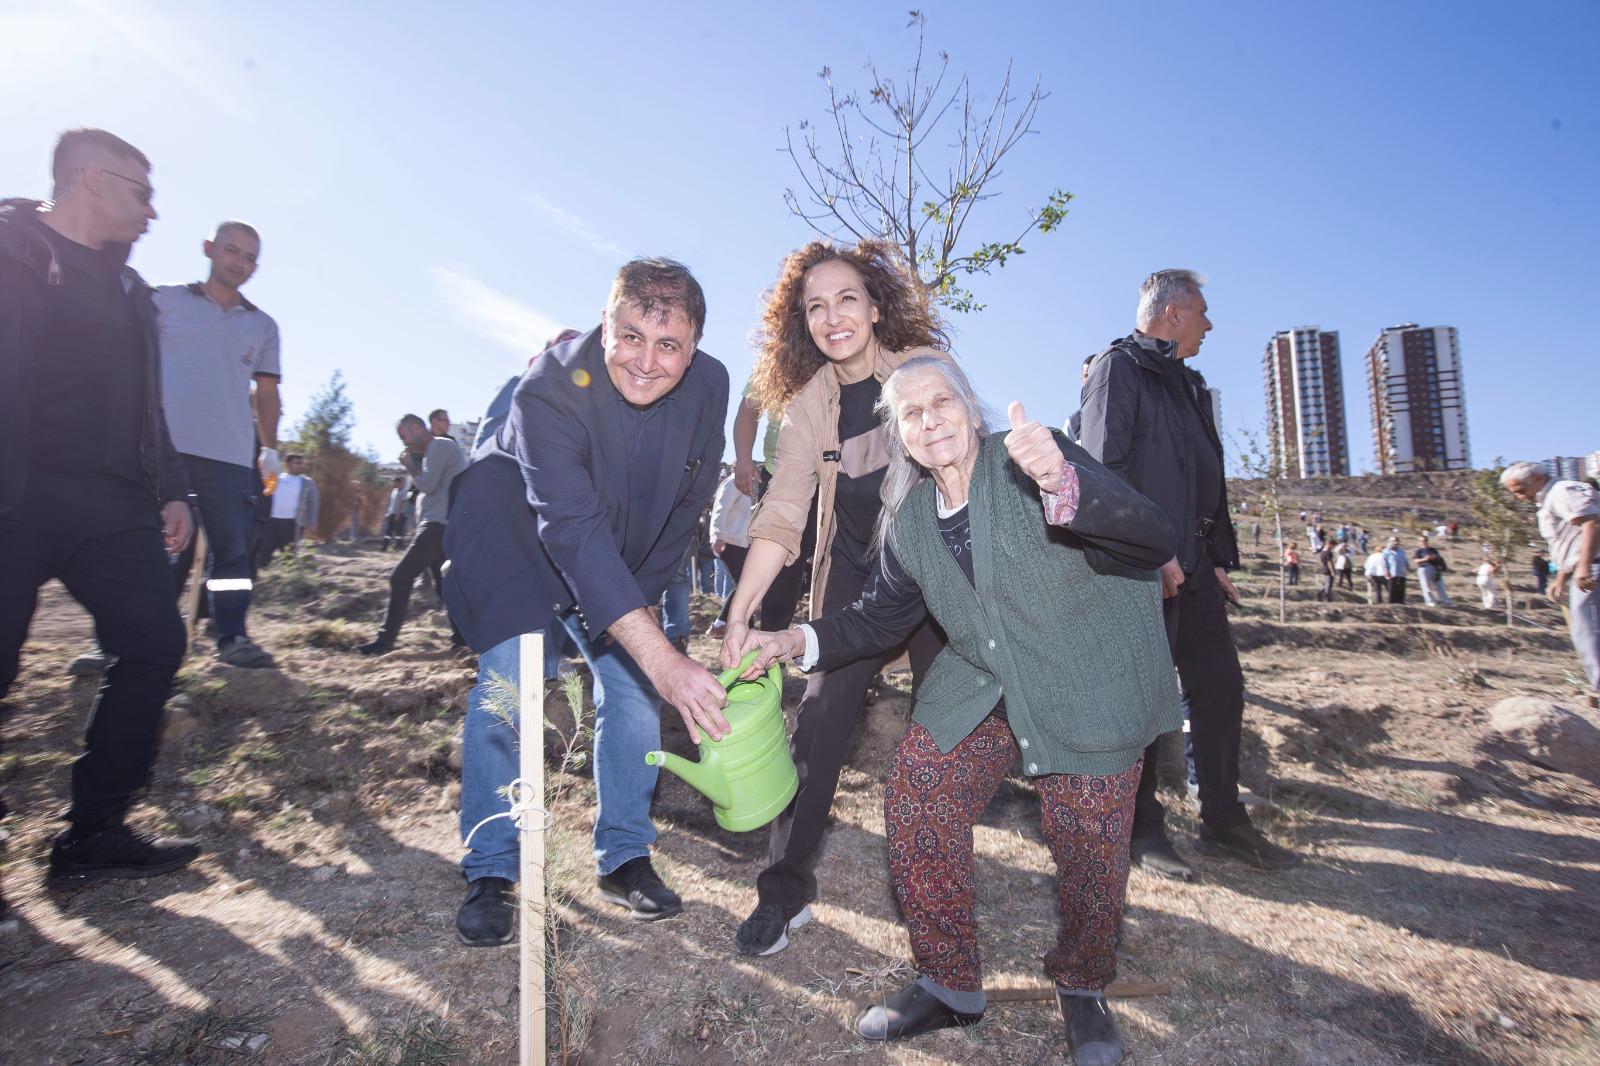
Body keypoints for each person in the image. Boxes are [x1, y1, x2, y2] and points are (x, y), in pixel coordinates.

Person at [729, 359, 1179, 1061]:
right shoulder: (910, 521)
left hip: (1085, 682)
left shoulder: (1036, 458)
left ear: (972, 409)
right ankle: (948, 983)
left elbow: (1153, 535)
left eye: (943, 403)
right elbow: (880, 619)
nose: (930, 419)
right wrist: (794, 638)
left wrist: (1065, 482)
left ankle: (1083, 986)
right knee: (919, 792)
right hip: (988, 682)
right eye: (911, 413)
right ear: (899, 436)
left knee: (1090, 847)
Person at [444, 258, 729, 945]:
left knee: (631, 691)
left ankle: (625, 856)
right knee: (511, 681)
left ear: (693, 348)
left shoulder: (710, 385)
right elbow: (567, 526)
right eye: (630, 335)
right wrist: (663, 657)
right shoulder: (546, 387)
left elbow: (687, 502)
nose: (646, 361)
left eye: (669, 345)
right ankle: (491, 867)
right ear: (606, 322)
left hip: (616, 545)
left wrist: (646, 619)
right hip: (519, 531)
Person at [720, 239, 951, 957]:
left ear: (876, 307)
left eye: (847, 298)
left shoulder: (922, 376)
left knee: (949, 731)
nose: (833, 316)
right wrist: (741, 612)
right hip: (854, 576)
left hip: (935, 573)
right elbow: (783, 512)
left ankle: (941, 899)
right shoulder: (808, 405)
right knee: (818, 726)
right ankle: (783, 893)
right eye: (815, 306)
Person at [1, 128, 200, 885]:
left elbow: (149, 405)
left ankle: (95, 830)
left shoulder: (129, 292)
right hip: (13, 492)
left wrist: (173, 485)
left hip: (112, 502)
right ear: (91, 180)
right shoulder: (11, 251)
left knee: (153, 645)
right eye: (141, 192)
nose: (151, 212)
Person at [1079, 268, 1297, 880]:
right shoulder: (1118, 369)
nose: (1209, 323)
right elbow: (1100, 473)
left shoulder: (1191, 386)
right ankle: (1141, 830)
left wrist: (1218, 558)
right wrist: (1153, 552)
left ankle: (1223, 821)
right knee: (1145, 700)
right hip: (1144, 569)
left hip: (1195, 570)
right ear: (1172, 314)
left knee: (1221, 686)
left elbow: (1205, 480)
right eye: (1202, 311)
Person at [148, 220, 280, 667]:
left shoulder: (262, 325)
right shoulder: (163, 301)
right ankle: (123, 639)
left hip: (228, 458)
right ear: (209, 248)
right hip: (165, 452)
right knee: (157, 551)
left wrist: (269, 447)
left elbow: (266, 392)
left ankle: (232, 638)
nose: (240, 263)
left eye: (249, 258)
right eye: (232, 251)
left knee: (233, 554)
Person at [357, 414, 466, 655]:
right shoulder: (436, 450)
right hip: (441, 526)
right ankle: (463, 640)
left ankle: (384, 642)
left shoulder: (439, 445)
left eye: (404, 436)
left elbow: (427, 485)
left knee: (399, 579)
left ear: (416, 428)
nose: (404, 443)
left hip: (437, 527)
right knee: (444, 588)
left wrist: (409, 466)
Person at [1502, 462, 1599, 688]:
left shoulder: (1562, 492)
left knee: (1590, 632)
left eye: (1519, 490)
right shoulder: (1549, 499)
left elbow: (1592, 525)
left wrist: (1584, 568)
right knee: (1585, 632)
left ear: (1536, 479)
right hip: (1582, 568)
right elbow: (1570, 541)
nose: (1519, 497)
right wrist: (1561, 579)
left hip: (1592, 567)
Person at [729, 378, 814, 631]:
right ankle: (766, 643)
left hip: (838, 476)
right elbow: (749, 409)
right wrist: (743, 459)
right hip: (778, 473)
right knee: (778, 571)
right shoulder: (777, 358)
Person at [707, 469, 753, 633]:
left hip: (740, 543)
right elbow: (721, 509)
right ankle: (723, 623)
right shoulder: (733, 483)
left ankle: (740, 624)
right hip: (729, 542)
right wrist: (717, 536)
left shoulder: (743, 487)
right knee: (745, 585)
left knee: (746, 585)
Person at [255, 454, 314, 566]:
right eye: (297, 463)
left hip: (292, 522)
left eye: (301, 463)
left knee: (289, 551)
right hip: (270, 520)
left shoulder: (307, 482)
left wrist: (311, 523)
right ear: (288, 464)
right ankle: (262, 574)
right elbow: (266, 493)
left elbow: (312, 503)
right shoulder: (277, 478)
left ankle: (286, 575)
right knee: (264, 548)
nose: (300, 466)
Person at [1414, 536, 1453, 606]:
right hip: (1424, 567)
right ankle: (1430, 601)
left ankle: (1446, 601)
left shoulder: (1433, 550)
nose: (1423, 542)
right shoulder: (1419, 551)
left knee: (1440, 585)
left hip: (1435, 568)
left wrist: (1437, 563)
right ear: (1419, 542)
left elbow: (1438, 558)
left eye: (1425, 540)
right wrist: (1424, 559)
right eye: (1421, 541)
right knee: (1426, 586)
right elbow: (1416, 560)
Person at [381, 475, 408, 549]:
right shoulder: (394, 491)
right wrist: (388, 513)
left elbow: (402, 504)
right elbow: (391, 503)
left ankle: (399, 546)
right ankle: (384, 546)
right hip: (391, 513)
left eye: (395, 482)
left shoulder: (404, 491)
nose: (393, 484)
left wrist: (398, 515)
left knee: (399, 531)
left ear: (399, 482)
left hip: (399, 514)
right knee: (388, 531)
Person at [1383, 537, 1409, 604]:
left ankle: (1401, 603)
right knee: (1392, 590)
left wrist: (1407, 567)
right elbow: (1385, 562)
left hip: (1401, 573)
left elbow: (1405, 560)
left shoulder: (1401, 551)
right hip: (1392, 574)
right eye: (1393, 541)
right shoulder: (1386, 551)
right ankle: (1392, 604)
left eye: (1397, 541)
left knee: (1401, 590)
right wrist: (1386, 570)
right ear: (1389, 542)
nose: (1395, 542)